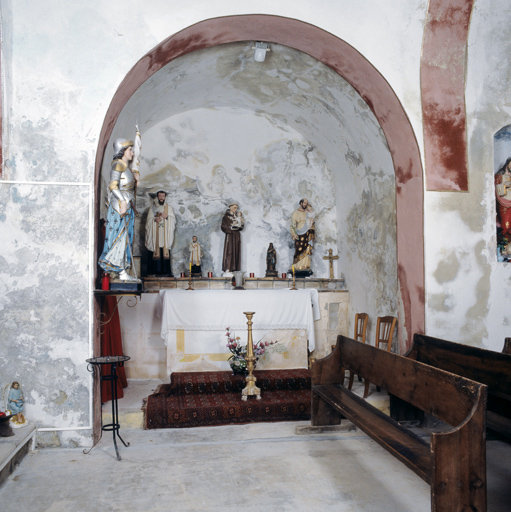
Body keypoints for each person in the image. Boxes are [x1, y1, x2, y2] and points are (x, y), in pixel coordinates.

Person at [98, 137, 140, 281]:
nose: (132, 153)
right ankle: (119, 272)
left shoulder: (125, 167)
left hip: (127, 207)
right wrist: (122, 201)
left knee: (126, 239)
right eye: (130, 150)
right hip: (119, 208)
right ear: (122, 150)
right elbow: (113, 186)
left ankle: (122, 272)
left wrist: (135, 182)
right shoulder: (117, 165)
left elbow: (127, 189)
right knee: (120, 239)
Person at [145, 190, 176, 276]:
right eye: (160, 196)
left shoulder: (169, 208)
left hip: (165, 234)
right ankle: (155, 272)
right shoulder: (153, 208)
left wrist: (167, 217)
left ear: (165, 197)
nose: (161, 197)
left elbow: (173, 220)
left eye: (163, 196)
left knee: (165, 250)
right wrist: (154, 220)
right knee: (156, 249)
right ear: (157, 197)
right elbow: (148, 221)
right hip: (156, 234)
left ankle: (166, 272)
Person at [290, 198, 315, 274]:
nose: (305, 205)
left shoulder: (308, 213)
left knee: (307, 248)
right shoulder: (295, 213)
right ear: (300, 203)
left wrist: (312, 228)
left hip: (307, 232)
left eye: (306, 203)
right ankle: (297, 265)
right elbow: (292, 225)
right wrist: (293, 234)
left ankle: (305, 265)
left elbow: (312, 221)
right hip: (299, 233)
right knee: (299, 249)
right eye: (304, 203)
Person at [221, 203, 244, 274]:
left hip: (236, 235)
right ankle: (228, 268)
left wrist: (240, 225)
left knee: (236, 251)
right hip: (230, 235)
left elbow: (241, 226)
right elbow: (223, 226)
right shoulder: (226, 217)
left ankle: (235, 269)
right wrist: (230, 228)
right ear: (230, 207)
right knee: (229, 251)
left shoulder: (237, 216)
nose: (235, 209)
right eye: (234, 207)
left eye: (236, 208)